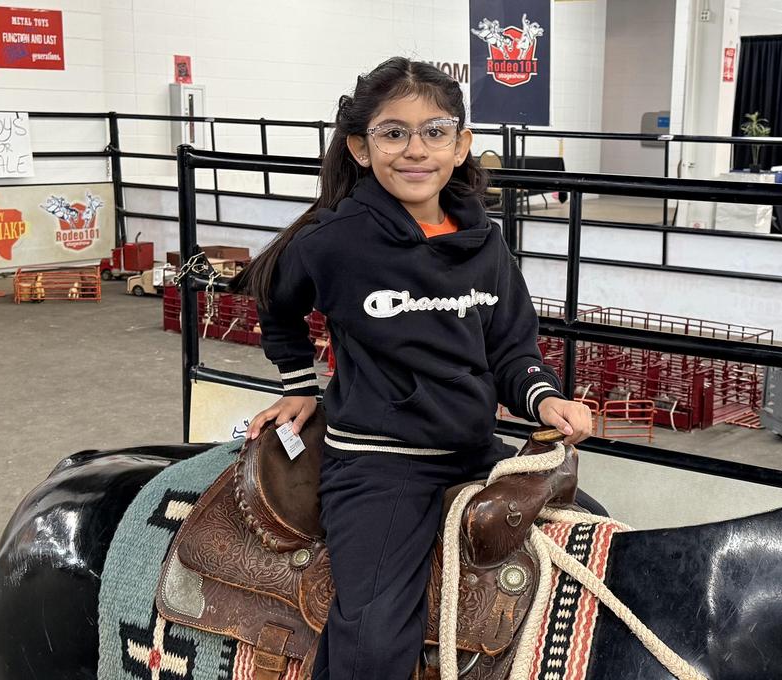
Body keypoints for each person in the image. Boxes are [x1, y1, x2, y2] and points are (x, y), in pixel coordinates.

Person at [240, 57, 596, 679]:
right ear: (359, 146)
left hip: (475, 450)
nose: (415, 150)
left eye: (435, 131)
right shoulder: (334, 240)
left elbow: (512, 350)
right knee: (373, 640)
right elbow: (275, 297)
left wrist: (543, 401)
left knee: (593, 549)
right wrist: (298, 383)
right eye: (393, 132)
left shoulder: (486, 244)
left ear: (462, 145)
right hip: (380, 466)